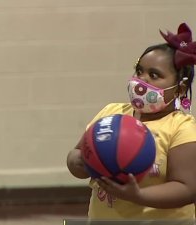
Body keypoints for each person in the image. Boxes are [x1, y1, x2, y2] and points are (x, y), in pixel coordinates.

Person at [66, 23, 196, 224]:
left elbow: (187, 188)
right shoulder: (111, 113)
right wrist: (80, 162)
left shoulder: (182, 127)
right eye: (139, 71)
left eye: (154, 75)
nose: (141, 80)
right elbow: (76, 153)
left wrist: (138, 196)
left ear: (180, 88)